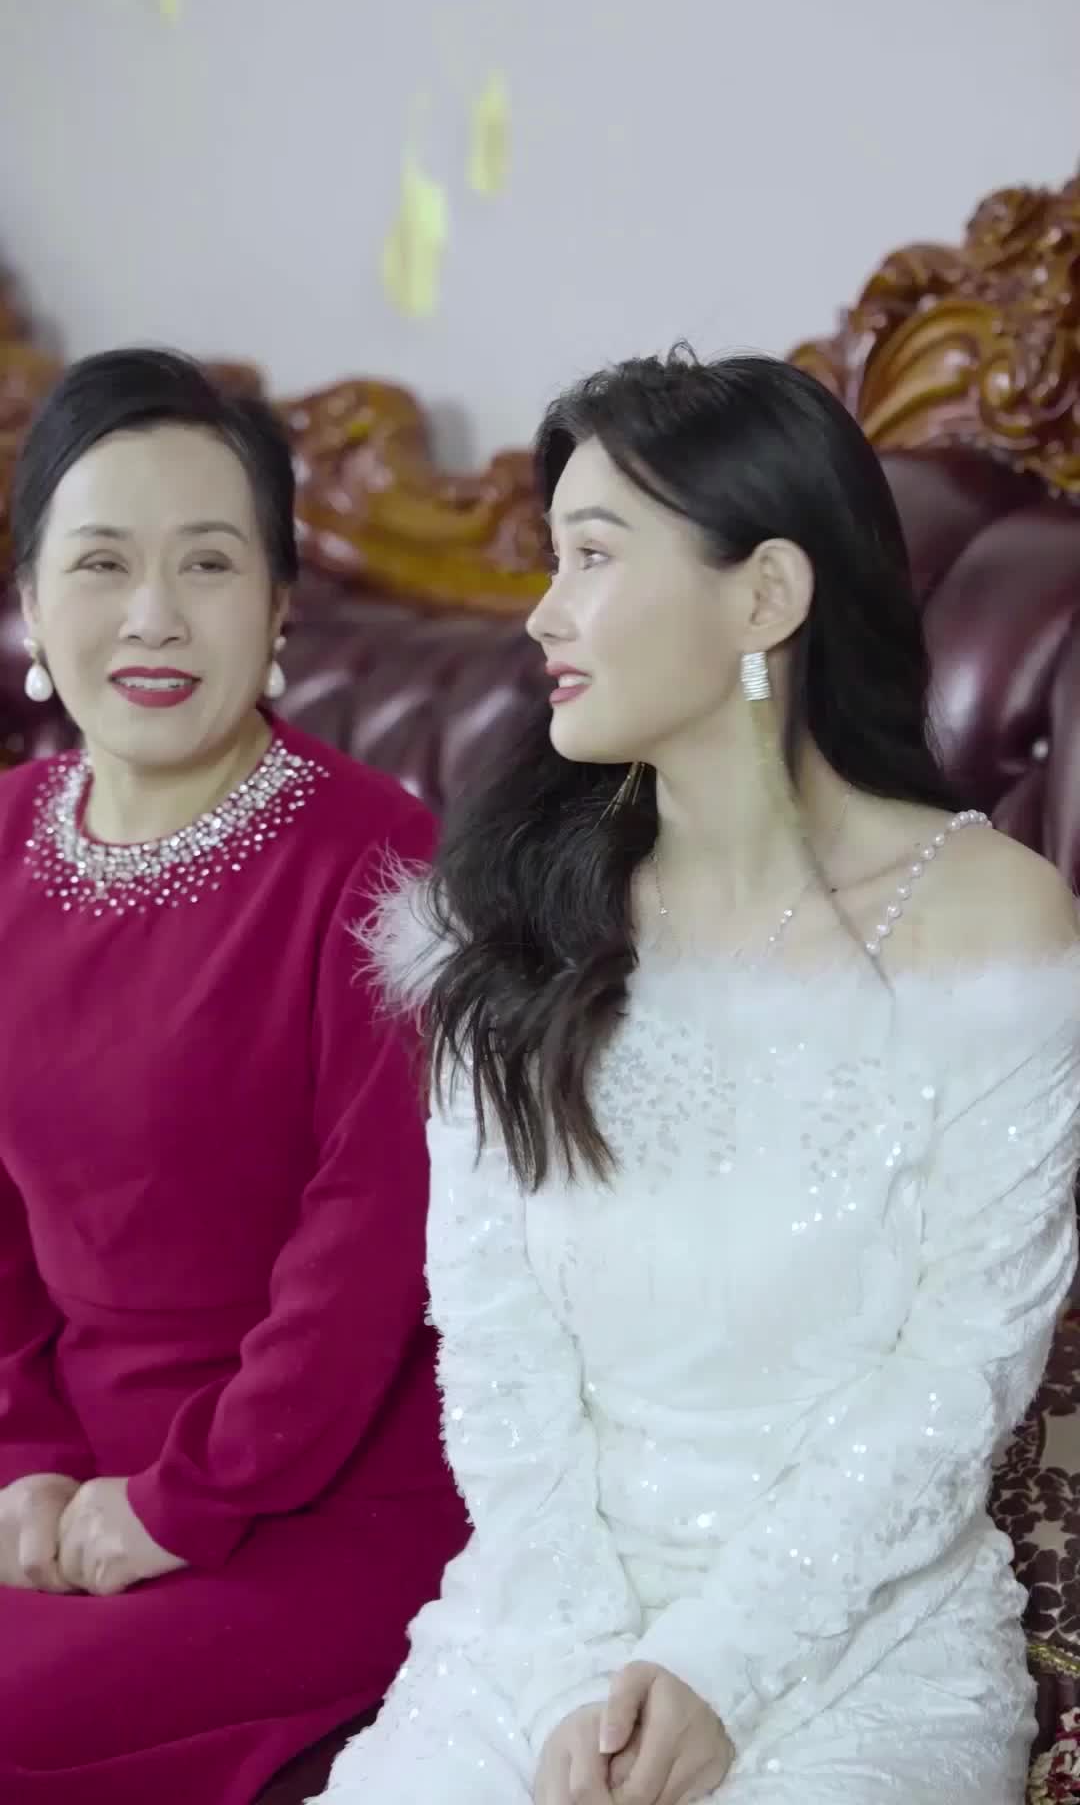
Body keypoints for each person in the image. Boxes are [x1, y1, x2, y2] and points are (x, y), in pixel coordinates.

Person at [321, 351, 1080, 1805]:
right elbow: (494, 1355)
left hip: (863, 1654)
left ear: (765, 596)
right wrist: (576, 1679)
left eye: (594, 556)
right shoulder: (511, 922)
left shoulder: (994, 930)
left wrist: (717, 1671)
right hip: (539, 1639)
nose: (543, 613)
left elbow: (962, 1371)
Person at [0, 349, 468, 1805]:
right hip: (65, 1473)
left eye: (207, 563)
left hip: (316, 1492)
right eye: (102, 563)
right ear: (31, 600)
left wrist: (178, 1503)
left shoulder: (380, 862)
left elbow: (367, 1259)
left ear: (278, 607)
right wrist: (25, 1459)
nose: (153, 615)